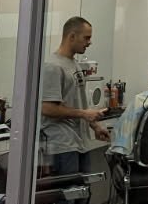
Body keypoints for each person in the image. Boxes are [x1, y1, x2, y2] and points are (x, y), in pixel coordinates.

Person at [40, 16, 110, 177]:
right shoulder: (53, 66)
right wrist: (84, 114)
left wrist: (95, 126)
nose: (89, 42)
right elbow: (47, 108)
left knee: (83, 190)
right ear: (72, 36)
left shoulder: (74, 64)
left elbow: (78, 103)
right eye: (86, 38)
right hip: (62, 145)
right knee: (70, 191)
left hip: (79, 142)